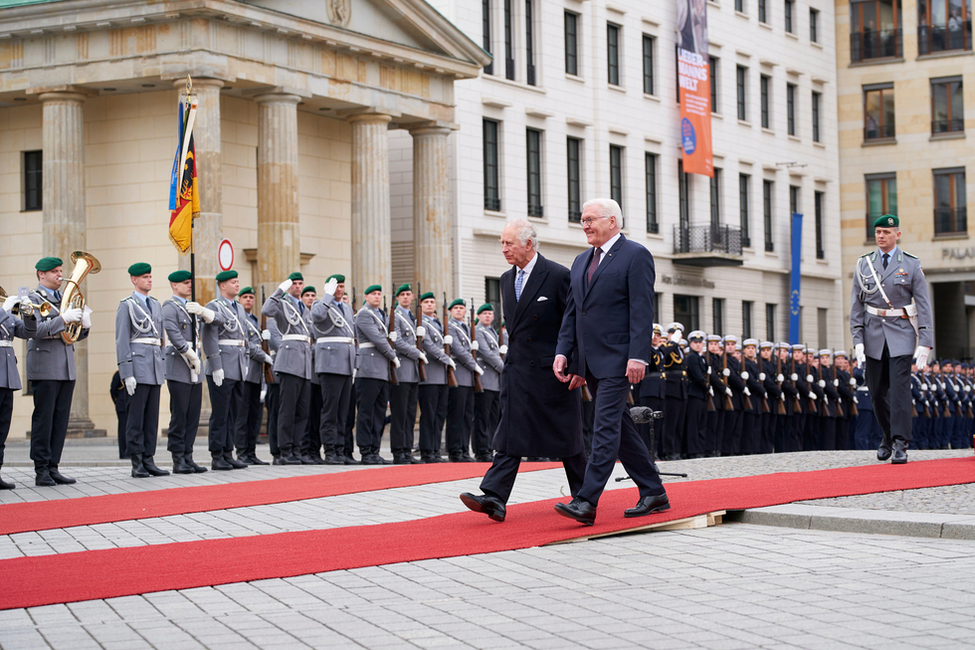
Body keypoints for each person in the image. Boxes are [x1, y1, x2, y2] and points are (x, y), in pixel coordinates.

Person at [552, 198, 669, 526]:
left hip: (620, 360)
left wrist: (637, 355)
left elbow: (642, 309)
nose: (585, 225)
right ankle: (653, 490)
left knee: (603, 427)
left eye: (591, 219)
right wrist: (565, 352)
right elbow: (573, 313)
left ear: (613, 221)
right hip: (590, 362)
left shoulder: (635, 255)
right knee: (619, 428)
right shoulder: (580, 261)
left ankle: (587, 500)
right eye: (582, 220)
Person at [461, 219, 586, 522]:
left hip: (554, 372)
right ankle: (494, 497)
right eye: (502, 243)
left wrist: (579, 366)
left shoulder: (558, 276)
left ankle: (585, 498)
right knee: (509, 433)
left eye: (509, 243)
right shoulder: (506, 279)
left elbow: (576, 323)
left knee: (568, 439)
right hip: (517, 371)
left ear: (528, 244)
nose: (503, 249)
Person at [850, 214, 934, 464]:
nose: (881, 236)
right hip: (873, 334)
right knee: (876, 392)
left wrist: (925, 342)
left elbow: (923, 304)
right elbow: (856, 304)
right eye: (877, 232)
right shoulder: (863, 264)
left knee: (899, 391)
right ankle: (887, 435)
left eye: (886, 232)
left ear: (897, 234)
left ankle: (900, 443)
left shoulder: (910, 263)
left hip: (901, 333)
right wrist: (858, 340)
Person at [26, 256, 89, 486]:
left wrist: (84, 325)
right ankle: (41, 468)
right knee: (44, 418)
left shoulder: (65, 298)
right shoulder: (32, 299)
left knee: (60, 419)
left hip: (65, 367)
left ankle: (53, 466)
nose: (60, 275)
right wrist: (63, 318)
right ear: (41, 274)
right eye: (54, 271)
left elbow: (72, 335)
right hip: (44, 366)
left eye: (61, 271)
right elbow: (34, 330)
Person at [196, 269, 267, 470]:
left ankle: (228, 452)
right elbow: (209, 337)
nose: (237, 285)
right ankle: (217, 455)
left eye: (237, 281)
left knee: (233, 413)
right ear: (223, 286)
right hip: (221, 366)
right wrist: (215, 364)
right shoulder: (214, 306)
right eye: (233, 282)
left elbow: (242, 339)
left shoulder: (238, 308)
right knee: (220, 413)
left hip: (237, 366)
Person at [115, 262, 168, 478]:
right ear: (134, 280)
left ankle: (149, 459)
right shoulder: (126, 305)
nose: (149, 280)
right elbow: (121, 341)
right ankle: (136, 461)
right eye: (144, 277)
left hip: (154, 367)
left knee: (151, 418)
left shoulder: (155, 304)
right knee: (135, 417)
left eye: (150, 276)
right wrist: (126, 373)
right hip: (137, 367)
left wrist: (162, 364)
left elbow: (161, 338)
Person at [263, 272, 314, 464]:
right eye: (294, 284)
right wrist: (279, 290)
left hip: (304, 364)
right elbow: (266, 309)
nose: (298, 287)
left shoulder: (305, 309)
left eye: (300, 283)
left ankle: (296, 448)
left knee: (302, 410)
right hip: (289, 362)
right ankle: (285, 451)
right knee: (287, 409)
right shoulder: (283, 304)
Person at [161, 270, 207, 473]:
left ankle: (188, 455)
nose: (190, 286)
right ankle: (177, 457)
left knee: (193, 414)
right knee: (179, 413)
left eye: (190, 282)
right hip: (179, 363)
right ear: (174, 285)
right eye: (185, 283)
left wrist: (204, 312)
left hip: (194, 364)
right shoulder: (169, 307)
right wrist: (191, 355)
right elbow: (174, 333)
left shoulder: (191, 307)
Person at [311, 274, 357, 465]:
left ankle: (340, 449)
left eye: (341, 286)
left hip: (346, 363)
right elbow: (317, 316)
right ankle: (329, 450)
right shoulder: (320, 304)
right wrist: (327, 295)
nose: (339, 290)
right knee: (330, 410)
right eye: (336, 286)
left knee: (342, 411)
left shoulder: (346, 307)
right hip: (330, 364)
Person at [354, 284, 399, 464]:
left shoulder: (382, 315)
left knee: (379, 412)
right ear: (366, 296)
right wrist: (392, 355)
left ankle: (375, 449)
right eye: (373, 294)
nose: (377, 297)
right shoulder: (364, 314)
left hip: (381, 369)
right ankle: (366, 451)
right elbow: (378, 339)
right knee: (366, 411)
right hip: (368, 368)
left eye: (379, 294)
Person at [0, 290, 37, 489]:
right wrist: (5, 311)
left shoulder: (7, 318)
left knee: (2, 428)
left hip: (7, 377)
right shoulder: (4, 314)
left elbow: (30, 332)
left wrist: (29, 313)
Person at [389, 283, 426, 464]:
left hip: (412, 372)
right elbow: (397, 342)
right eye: (402, 294)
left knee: (411, 413)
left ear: (412, 297)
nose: (405, 297)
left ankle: (407, 449)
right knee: (400, 413)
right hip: (402, 370)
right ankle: (398, 451)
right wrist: (416, 353)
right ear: (397, 298)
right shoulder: (395, 316)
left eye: (408, 294)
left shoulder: (412, 317)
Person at [417, 291, 454, 463]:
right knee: (429, 415)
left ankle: (435, 450)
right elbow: (428, 346)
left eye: (432, 302)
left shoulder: (438, 323)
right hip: (430, 375)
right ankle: (427, 451)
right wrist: (446, 358)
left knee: (439, 416)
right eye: (427, 302)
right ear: (421, 305)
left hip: (442, 376)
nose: (430, 304)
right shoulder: (421, 322)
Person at [234, 286, 269, 465]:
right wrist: (264, 355)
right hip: (245, 371)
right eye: (245, 297)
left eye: (251, 297)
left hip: (256, 373)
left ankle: (251, 451)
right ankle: (241, 452)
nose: (248, 300)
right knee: (243, 414)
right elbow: (247, 345)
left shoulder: (255, 319)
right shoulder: (240, 318)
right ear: (239, 299)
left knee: (254, 415)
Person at [446, 298, 482, 462]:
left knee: (467, 416)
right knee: (456, 415)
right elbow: (459, 351)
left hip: (468, 377)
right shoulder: (450, 327)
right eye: (456, 308)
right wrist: (474, 365)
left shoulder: (467, 328)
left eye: (462, 308)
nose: (459, 310)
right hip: (458, 375)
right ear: (451, 311)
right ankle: (455, 450)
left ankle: (464, 449)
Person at [472, 303, 503, 462]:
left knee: (492, 418)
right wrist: (505, 369)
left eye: (490, 313)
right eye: (484, 313)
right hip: (484, 380)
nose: (488, 316)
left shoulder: (494, 333)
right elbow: (488, 354)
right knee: (482, 417)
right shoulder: (478, 331)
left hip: (496, 382)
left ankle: (490, 447)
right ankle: (482, 449)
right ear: (478, 316)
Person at [684, 330, 710, 459]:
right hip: (694, 393)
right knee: (694, 424)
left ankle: (699, 449)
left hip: (700, 394)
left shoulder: (700, 357)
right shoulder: (692, 357)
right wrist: (707, 386)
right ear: (691, 344)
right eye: (695, 342)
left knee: (700, 423)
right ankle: (693, 450)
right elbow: (698, 376)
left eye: (700, 342)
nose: (698, 345)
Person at [110, 370, 128, 459]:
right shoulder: (119, 374)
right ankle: (123, 452)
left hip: (131, 405)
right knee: (123, 429)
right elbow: (113, 389)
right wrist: (116, 402)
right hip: (121, 405)